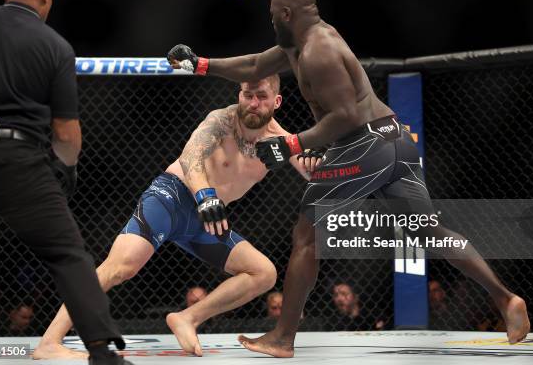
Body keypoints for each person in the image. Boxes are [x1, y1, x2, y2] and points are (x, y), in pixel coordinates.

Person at [167, 0, 530, 357]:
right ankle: (505, 300)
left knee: (306, 236)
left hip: (364, 145)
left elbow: (347, 116)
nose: (271, 22)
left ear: (287, 15)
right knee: (427, 230)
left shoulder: (317, 52)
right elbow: (256, 64)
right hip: (394, 139)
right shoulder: (304, 41)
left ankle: (282, 338)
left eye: (274, 16)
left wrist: (292, 143)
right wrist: (201, 64)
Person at [32, 75, 322, 359]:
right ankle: (50, 341)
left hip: (206, 220)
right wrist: (205, 195)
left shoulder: (283, 142)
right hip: (172, 198)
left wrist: (321, 161)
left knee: (263, 273)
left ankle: (187, 318)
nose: (254, 103)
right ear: (239, 95)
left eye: (262, 96)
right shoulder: (222, 121)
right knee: (120, 267)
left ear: (277, 100)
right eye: (248, 94)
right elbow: (190, 157)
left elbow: (314, 173)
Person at [0, 0, 130, 364]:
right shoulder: (55, 46)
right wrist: (66, 169)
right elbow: (67, 134)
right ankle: (102, 351)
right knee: (68, 254)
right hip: (17, 162)